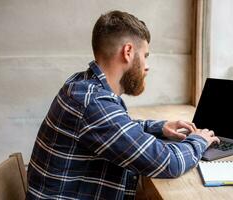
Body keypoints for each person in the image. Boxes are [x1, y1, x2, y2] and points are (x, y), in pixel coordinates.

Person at [26, 10, 219, 200]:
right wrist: (199, 140)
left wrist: (160, 127)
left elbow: (119, 127)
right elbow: (169, 163)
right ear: (128, 52)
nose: (146, 66)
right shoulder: (93, 104)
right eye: (145, 56)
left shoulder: (84, 85)